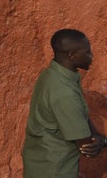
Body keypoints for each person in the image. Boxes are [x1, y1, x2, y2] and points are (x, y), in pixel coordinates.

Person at [22, 28, 106, 177]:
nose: (91, 56)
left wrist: (96, 135)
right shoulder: (64, 93)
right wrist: (102, 141)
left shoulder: (56, 74)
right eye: (87, 53)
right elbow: (86, 146)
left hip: (42, 162)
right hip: (55, 169)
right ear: (72, 55)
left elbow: (81, 113)